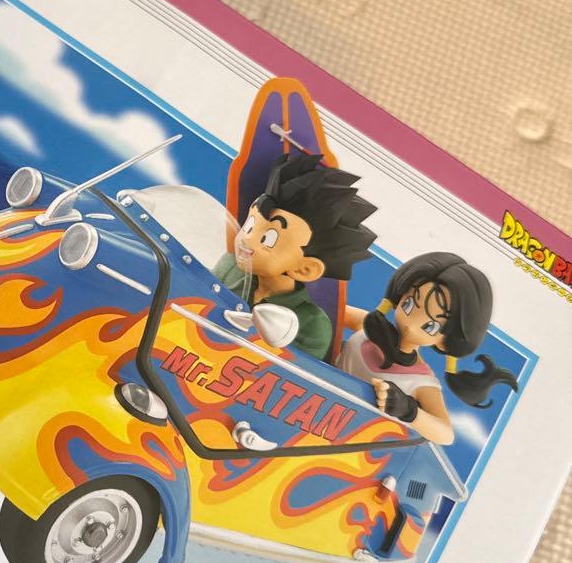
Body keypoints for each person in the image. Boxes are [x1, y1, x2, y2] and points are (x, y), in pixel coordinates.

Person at [338, 251, 519, 444]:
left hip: (347, 432)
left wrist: (409, 410)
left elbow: (445, 435)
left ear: (445, 341)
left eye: (430, 326)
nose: (411, 324)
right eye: (409, 304)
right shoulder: (368, 327)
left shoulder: (421, 381)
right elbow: (331, 307)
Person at [214, 153, 377, 359]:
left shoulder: (311, 324)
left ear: (305, 268)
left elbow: (289, 371)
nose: (247, 239)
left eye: (268, 239)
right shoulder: (229, 268)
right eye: (250, 226)